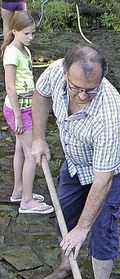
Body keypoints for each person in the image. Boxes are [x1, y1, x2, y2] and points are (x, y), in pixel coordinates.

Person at [30, 44, 120, 279]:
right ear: (65, 72)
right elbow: (40, 95)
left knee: (101, 226)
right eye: (76, 87)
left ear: (101, 79)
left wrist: (84, 228)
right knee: (64, 216)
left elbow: (103, 180)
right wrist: (39, 138)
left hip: (109, 167)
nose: (82, 95)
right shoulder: (56, 72)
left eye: (90, 90)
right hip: (77, 158)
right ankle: (68, 268)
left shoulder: (109, 114)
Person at [3, 11, 53, 214]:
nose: (31, 37)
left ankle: (18, 190)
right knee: (32, 154)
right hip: (19, 110)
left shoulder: (24, 50)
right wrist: (16, 116)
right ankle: (27, 201)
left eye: (33, 33)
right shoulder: (11, 52)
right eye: (26, 34)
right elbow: (10, 87)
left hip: (26, 107)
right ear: (14, 31)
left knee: (20, 150)